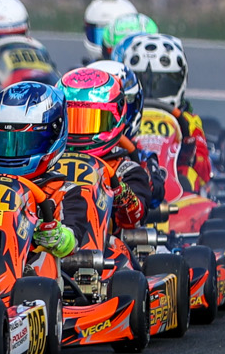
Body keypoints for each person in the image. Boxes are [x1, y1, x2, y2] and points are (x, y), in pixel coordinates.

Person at [0, 80, 76, 258]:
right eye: (4, 142)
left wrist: (58, 237)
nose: (11, 154)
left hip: (36, 275)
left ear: (54, 135)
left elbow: (75, 239)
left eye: (25, 143)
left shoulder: (65, 192)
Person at [53, 63, 155, 245]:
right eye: (73, 120)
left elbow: (135, 220)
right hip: (48, 249)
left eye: (91, 122)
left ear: (116, 117)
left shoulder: (124, 169)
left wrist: (121, 193)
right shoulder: (47, 165)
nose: (79, 131)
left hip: (106, 255)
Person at [119, 34, 212, 199]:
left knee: (189, 175)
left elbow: (204, 171)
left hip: (177, 190)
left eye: (162, 82)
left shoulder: (189, 121)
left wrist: (189, 149)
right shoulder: (123, 117)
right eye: (143, 79)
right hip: (131, 188)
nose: (152, 91)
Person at [79, 0, 138, 64]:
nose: (106, 47)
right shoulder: (83, 72)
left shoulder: (142, 70)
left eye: (117, 37)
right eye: (100, 34)